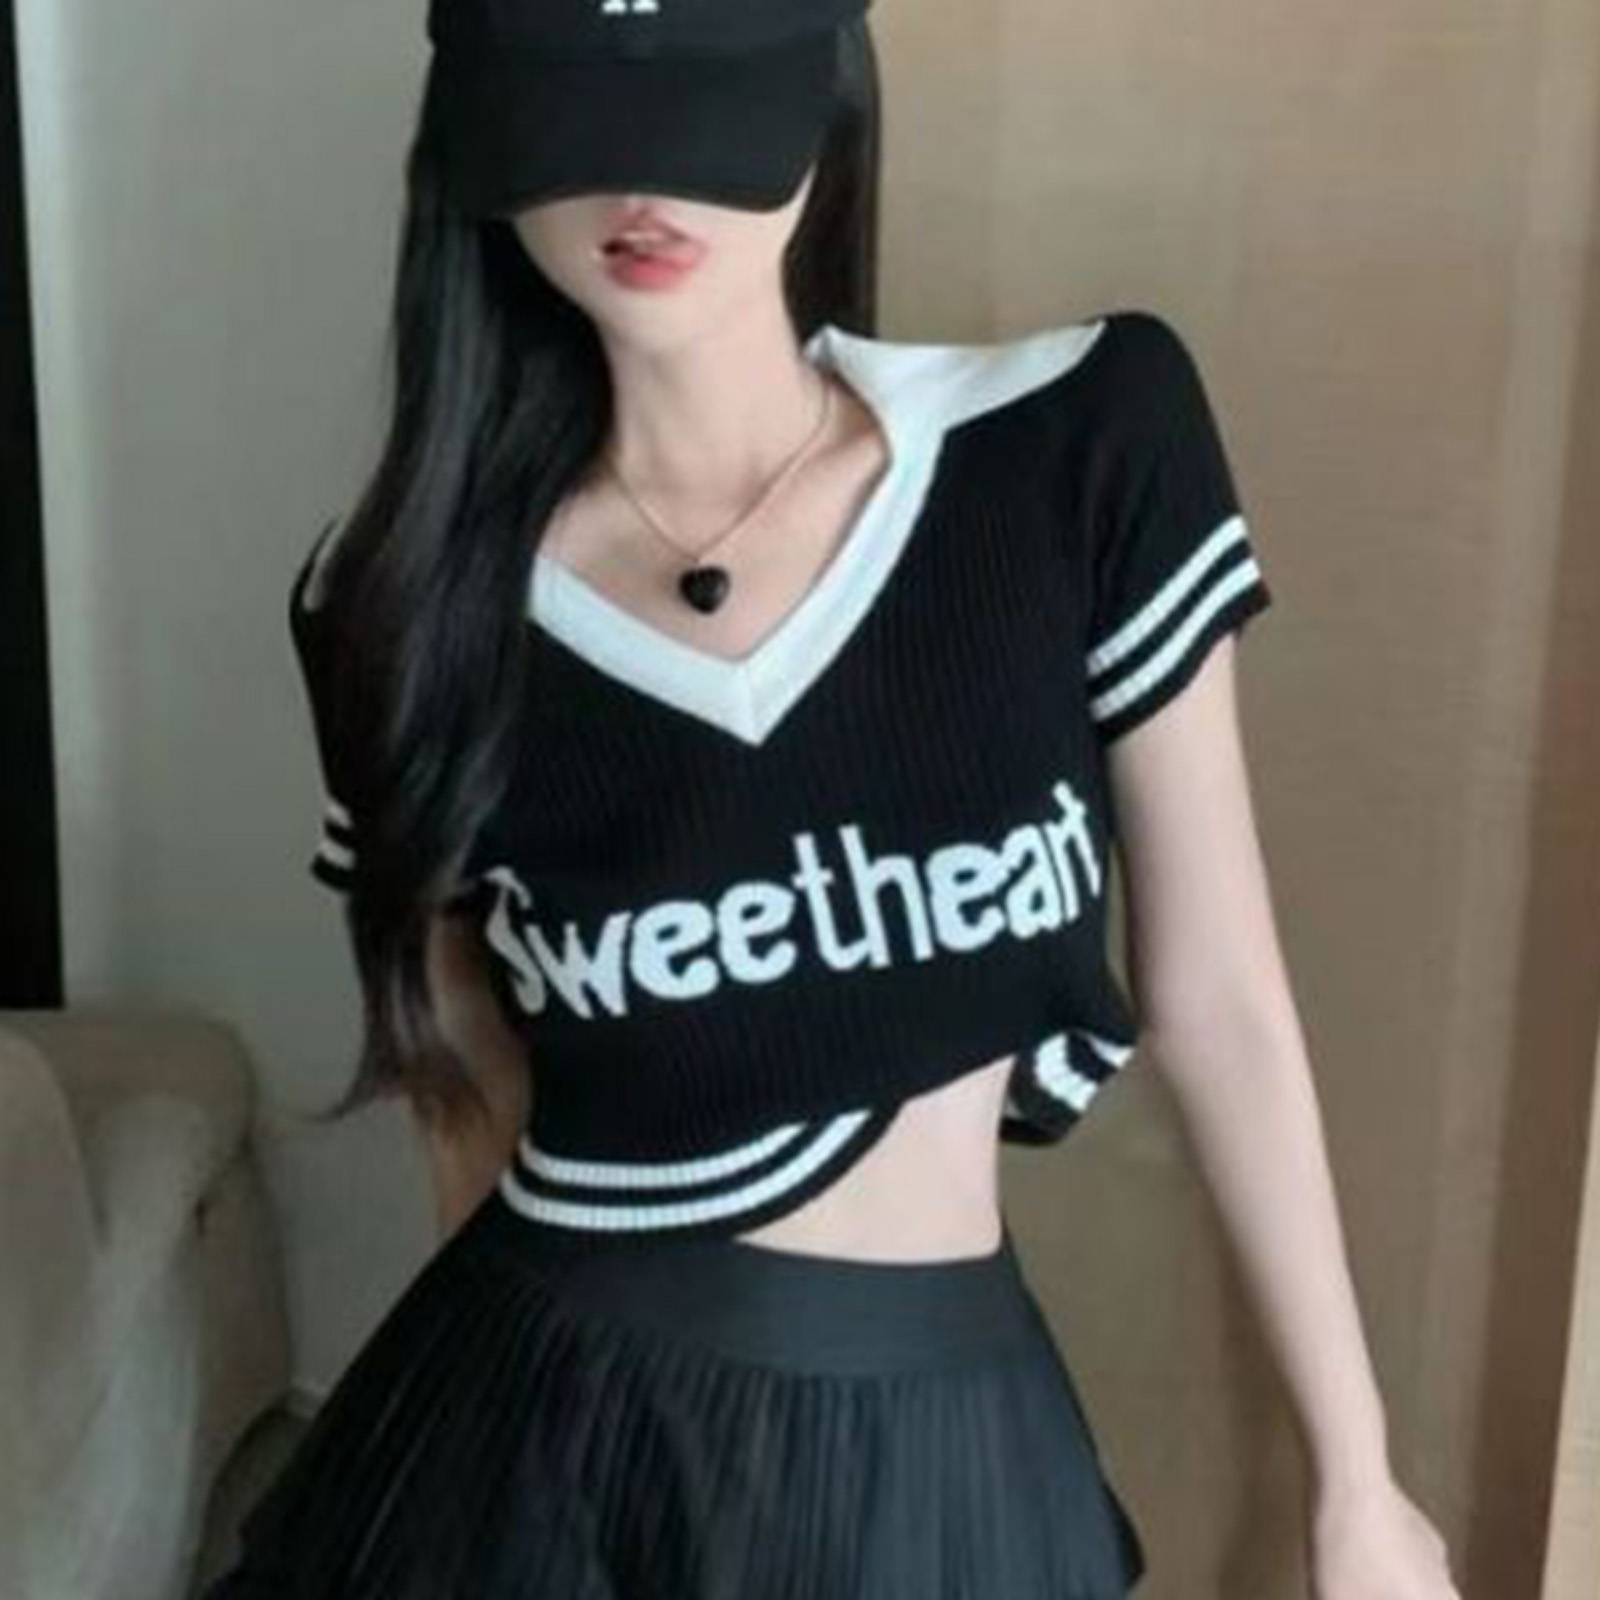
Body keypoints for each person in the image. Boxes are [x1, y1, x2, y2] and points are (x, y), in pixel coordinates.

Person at [204, 1, 1462, 1597]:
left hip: (943, 1429)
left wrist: (1356, 1476)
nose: (642, 190)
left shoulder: (1069, 445)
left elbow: (1220, 1002)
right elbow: (470, 1097)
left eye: (702, 111)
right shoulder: (401, 600)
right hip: (550, 1426)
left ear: (829, 95)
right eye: (577, 116)